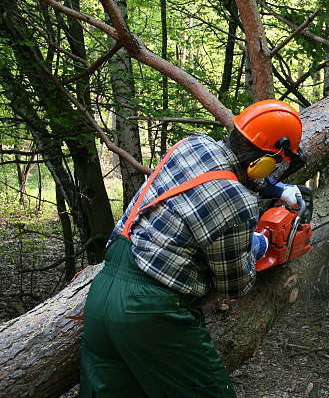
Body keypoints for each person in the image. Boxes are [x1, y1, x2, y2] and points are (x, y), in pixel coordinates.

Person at [80, 99, 306, 398]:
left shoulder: (191, 145)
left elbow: (216, 176)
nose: (274, 169)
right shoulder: (236, 200)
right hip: (150, 313)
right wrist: (257, 244)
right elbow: (234, 285)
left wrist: (278, 190)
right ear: (264, 161)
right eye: (276, 163)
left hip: (101, 295)